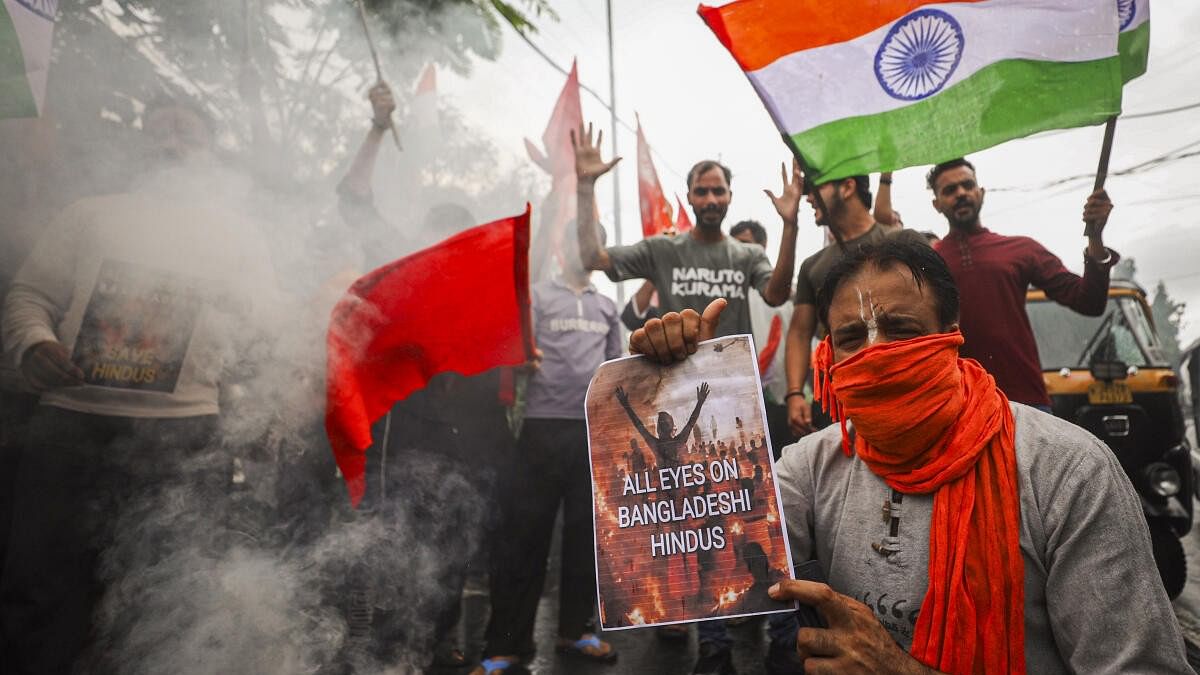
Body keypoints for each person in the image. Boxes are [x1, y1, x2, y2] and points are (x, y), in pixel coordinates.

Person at [628, 238, 1190, 674]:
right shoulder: (817, 465)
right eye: (851, 338)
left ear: (952, 334)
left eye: (900, 330)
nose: (876, 356)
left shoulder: (1066, 471)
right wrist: (679, 385)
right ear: (828, 354)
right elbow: (683, 570)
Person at [0, 98, 279, 673]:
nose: (171, 138)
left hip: (181, 435)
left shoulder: (237, 234)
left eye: (187, 130)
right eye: (160, 128)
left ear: (210, 153)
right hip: (69, 423)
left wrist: (239, 304)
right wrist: (33, 344)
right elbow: (30, 297)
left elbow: (270, 324)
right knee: (42, 591)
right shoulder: (89, 213)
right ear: (139, 144)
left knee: (162, 598)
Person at [475, 227, 623, 674]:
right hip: (538, 431)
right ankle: (505, 645)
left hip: (589, 435)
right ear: (562, 246)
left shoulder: (607, 307)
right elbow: (508, 355)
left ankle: (575, 631)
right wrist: (517, 361)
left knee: (583, 541)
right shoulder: (536, 297)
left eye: (590, 241)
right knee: (523, 539)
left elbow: (615, 372)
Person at [573, 121, 802, 338]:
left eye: (718, 191)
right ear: (689, 198)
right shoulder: (662, 250)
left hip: (734, 375)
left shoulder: (749, 255)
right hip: (677, 375)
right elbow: (593, 258)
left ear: (729, 196)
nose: (711, 200)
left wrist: (790, 225)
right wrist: (585, 186)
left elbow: (776, 295)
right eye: (701, 192)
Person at [927, 158, 1117, 409]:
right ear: (937, 204)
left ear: (981, 192)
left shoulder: (1021, 250)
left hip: (1026, 403)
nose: (961, 193)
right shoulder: (927, 263)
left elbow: (1089, 301)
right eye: (950, 190)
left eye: (967, 185)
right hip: (959, 407)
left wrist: (1095, 236)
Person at [784, 174, 925, 438]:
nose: (808, 197)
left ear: (848, 187)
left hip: (908, 394)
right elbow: (800, 332)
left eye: (816, 187)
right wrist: (794, 393)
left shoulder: (905, 243)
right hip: (841, 405)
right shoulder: (812, 266)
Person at [615, 382, 710, 467]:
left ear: (658, 429)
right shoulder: (677, 442)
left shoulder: (656, 444)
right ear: (672, 427)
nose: (662, 424)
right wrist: (700, 403)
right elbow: (691, 422)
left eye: (662, 422)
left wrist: (626, 405)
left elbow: (639, 425)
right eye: (663, 422)